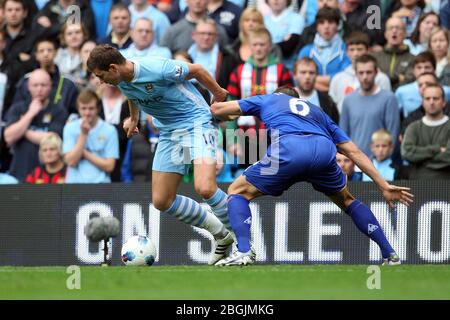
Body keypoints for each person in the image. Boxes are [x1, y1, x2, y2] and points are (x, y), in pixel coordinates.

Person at [210, 86, 413, 266]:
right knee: (347, 201)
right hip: (324, 150)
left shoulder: (269, 99)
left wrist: (216, 96)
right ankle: (390, 253)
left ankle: (244, 250)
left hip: (289, 148)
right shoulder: (318, 112)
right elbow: (353, 151)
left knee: (237, 191)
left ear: (278, 95)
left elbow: (218, 111)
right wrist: (383, 184)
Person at [87, 44, 235, 265]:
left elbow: (197, 70)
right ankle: (222, 235)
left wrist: (219, 94)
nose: (100, 81)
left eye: (101, 76)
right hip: (168, 131)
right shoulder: (121, 78)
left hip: (197, 123)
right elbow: (133, 94)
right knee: (162, 200)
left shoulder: (157, 68)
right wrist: (134, 120)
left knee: (205, 187)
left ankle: (244, 243)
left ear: (112, 67)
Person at [3, 69, 68, 181]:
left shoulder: (59, 110)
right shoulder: (18, 108)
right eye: (35, 85)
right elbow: (8, 137)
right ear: (28, 87)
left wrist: (24, 131)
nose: (39, 89)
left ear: (50, 86)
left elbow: (53, 139)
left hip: (48, 176)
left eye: (43, 85)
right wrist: (30, 114)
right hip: (19, 173)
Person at [340, 54, 400, 157]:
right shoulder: (348, 100)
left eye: (369, 72)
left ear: (376, 72)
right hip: (355, 164)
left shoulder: (389, 98)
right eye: (361, 73)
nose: (365, 77)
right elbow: (343, 136)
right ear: (356, 74)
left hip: (380, 163)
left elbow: (392, 135)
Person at [63, 89, 119, 183]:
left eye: (91, 108)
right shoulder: (70, 127)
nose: (87, 113)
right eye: (83, 108)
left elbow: (110, 166)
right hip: (74, 185)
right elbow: (71, 161)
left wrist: (83, 152)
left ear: (97, 108)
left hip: (100, 185)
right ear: (78, 109)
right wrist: (83, 134)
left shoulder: (110, 130)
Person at [401, 84, 450, 179]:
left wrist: (419, 160)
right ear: (422, 102)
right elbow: (407, 153)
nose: (431, 102)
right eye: (427, 98)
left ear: (444, 102)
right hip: (418, 186)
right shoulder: (413, 127)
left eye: (435, 98)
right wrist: (437, 149)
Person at [294, 57, 339, 123]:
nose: (307, 77)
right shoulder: (284, 100)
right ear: (295, 75)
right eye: (303, 72)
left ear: (316, 75)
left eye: (311, 73)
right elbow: (275, 128)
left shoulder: (328, 101)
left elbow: (334, 129)